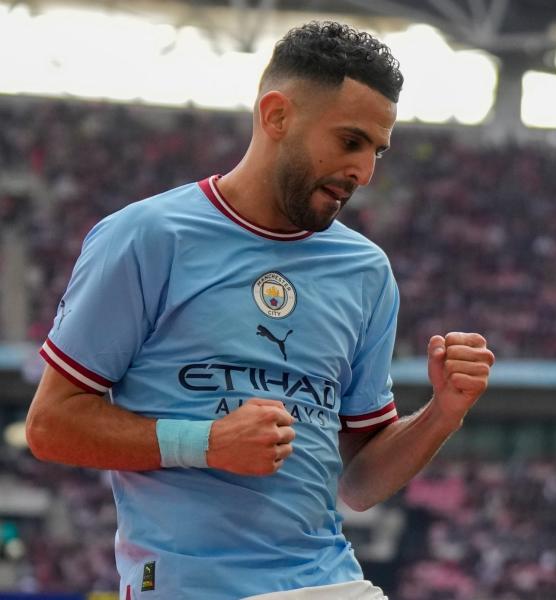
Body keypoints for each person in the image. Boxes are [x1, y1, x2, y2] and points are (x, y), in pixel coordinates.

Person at [24, 21, 495, 600]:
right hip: (188, 586)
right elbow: (50, 427)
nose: (365, 172)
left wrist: (443, 412)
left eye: (377, 150)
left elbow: (361, 481)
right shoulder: (147, 237)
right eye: (350, 142)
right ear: (277, 116)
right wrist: (205, 443)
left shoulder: (366, 271)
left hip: (329, 582)